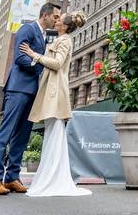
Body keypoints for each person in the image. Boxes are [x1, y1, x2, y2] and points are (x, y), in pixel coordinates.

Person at [0, 2, 61, 196]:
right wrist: (41, 65)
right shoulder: (27, 29)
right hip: (19, 89)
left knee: (22, 137)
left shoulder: (45, 36)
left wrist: (38, 60)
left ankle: (12, 178)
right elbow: (20, 58)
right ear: (45, 15)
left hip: (33, 92)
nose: (57, 20)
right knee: (6, 133)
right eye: (55, 16)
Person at [21, 12, 90, 198]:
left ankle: (53, 179)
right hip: (52, 87)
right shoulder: (60, 39)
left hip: (55, 89)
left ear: (65, 26)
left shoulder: (65, 40)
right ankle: (50, 177)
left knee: (55, 132)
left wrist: (33, 54)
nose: (56, 20)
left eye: (60, 19)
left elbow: (58, 63)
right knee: (52, 133)